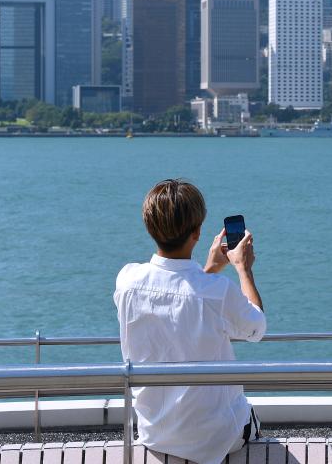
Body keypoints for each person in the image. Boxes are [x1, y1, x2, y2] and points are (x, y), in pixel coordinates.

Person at [114, 179, 266, 464]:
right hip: (216, 438)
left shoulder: (127, 281)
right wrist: (243, 269)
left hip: (155, 433)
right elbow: (256, 327)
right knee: (251, 418)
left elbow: (180, 304)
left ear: (150, 228)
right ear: (197, 232)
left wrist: (208, 270)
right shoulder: (216, 292)